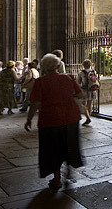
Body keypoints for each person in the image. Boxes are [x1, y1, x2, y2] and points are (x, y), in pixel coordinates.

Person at [24, 54, 84, 188]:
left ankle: (57, 179)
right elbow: (80, 94)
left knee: (52, 149)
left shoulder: (40, 82)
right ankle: (69, 171)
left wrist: (29, 119)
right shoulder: (68, 78)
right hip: (70, 117)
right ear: (58, 65)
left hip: (50, 119)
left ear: (44, 67)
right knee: (69, 145)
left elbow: (35, 103)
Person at [76, 59, 99, 126]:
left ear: (83, 65)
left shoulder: (81, 73)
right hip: (92, 90)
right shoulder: (93, 71)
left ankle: (87, 117)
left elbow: (79, 82)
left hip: (85, 90)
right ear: (90, 65)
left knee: (83, 104)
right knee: (90, 104)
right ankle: (88, 117)